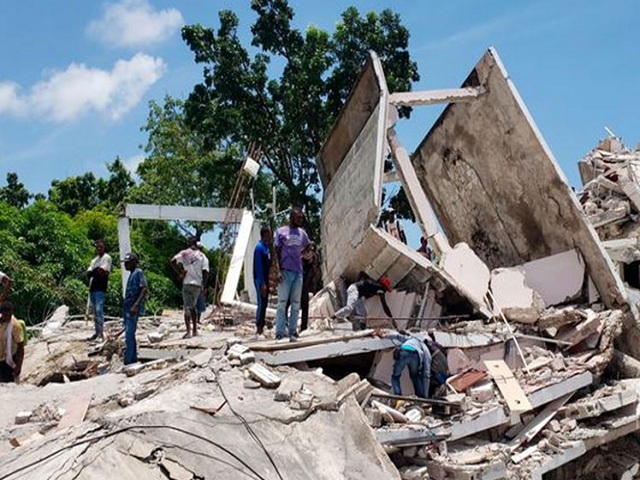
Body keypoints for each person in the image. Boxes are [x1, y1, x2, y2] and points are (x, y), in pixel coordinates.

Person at [274, 207, 310, 341]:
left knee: (296, 303)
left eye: (302, 218)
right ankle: (279, 332)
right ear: (292, 218)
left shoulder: (302, 233)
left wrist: (308, 253)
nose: (301, 220)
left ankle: (293, 332)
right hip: (285, 272)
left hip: (298, 272)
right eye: (298, 218)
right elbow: (276, 252)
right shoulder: (281, 232)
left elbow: (308, 246)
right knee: (282, 303)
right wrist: (277, 270)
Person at [171, 237, 209, 338]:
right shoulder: (202, 256)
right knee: (193, 308)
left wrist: (180, 272)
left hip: (187, 283)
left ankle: (188, 332)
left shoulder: (184, 253)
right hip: (197, 284)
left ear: (189, 243)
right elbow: (205, 272)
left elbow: (172, 261)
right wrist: (204, 286)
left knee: (187, 307)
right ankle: (195, 330)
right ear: (197, 244)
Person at [386, 331, 432, 399]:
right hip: (415, 355)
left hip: (404, 351)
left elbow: (398, 336)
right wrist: (426, 395)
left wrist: (385, 335)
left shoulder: (412, 338)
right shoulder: (425, 349)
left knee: (395, 376)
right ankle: (421, 397)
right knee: (415, 376)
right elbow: (427, 373)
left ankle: (398, 398)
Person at [123, 253, 147, 365]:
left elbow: (144, 289)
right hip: (128, 308)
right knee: (129, 334)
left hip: (132, 308)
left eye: (128, 262)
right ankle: (132, 358)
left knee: (129, 333)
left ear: (134, 262)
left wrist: (136, 305)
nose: (125, 264)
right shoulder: (131, 274)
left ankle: (128, 361)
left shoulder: (138, 272)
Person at [86, 239, 112, 341]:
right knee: (95, 313)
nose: (99, 249)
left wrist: (95, 271)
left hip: (101, 288)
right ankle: (96, 333)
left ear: (104, 247)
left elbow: (102, 272)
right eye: (97, 247)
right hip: (93, 288)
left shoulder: (107, 258)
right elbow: (89, 273)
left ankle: (101, 334)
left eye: (101, 247)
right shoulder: (94, 260)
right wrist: (95, 271)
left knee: (99, 310)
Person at [253, 226, 272, 336]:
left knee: (264, 303)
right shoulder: (259, 248)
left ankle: (262, 325)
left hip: (265, 278)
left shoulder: (267, 247)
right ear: (265, 234)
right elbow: (259, 266)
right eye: (269, 234)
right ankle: (259, 326)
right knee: (261, 302)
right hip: (260, 279)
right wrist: (262, 283)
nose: (271, 236)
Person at [0, 302, 24, 383]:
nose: (8, 318)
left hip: (7, 361)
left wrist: (18, 366)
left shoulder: (15, 326)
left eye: (9, 315)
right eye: (5, 315)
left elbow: (21, 346)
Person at [300, 242, 320, 332]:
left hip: (305, 286)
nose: (309, 253)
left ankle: (303, 326)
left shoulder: (314, 262)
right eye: (308, 250)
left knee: (305, 305)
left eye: (312, 251)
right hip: (297, 285)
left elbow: (314, 277)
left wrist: (314, 290)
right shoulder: (301, 260)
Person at [195, 242, 207, 324]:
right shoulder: (203, 258)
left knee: (192, 302)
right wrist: (204, 285)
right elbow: (205, 272)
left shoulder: (190, 256)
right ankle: (197, 320)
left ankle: (194, 320)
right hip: (199, 282)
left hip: (190, 282)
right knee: (199, 301)